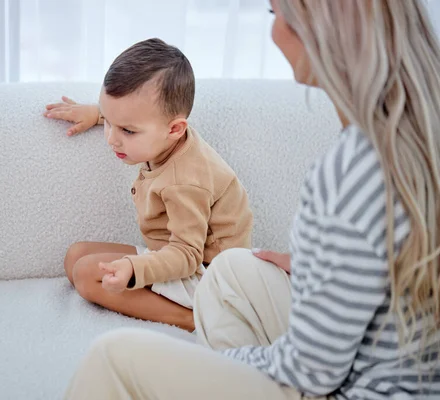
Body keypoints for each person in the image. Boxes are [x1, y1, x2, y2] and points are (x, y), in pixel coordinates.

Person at [63, 0, 440, 398]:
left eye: (275, 14)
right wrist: (317, 268)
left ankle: (191, 324)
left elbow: (312, 372)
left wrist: (214, 368)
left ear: (317, 30)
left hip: (362, 387)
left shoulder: (349, 170)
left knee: (112, 356)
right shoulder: (411, 134)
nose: (273, 32)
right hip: (390, 362)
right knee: (234, 270)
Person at [45, 38, 253, 332]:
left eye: (127, 130)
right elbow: (135, 113)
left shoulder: (185, 182)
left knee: (87, 275)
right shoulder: (167, 132)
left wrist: (134, 269)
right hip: (175, 257)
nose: (112, 139)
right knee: (76, 256)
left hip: (211, 279)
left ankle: (193, 320)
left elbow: (187, 255)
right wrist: (97, 113)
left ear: (174, 129)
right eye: (109, 122)